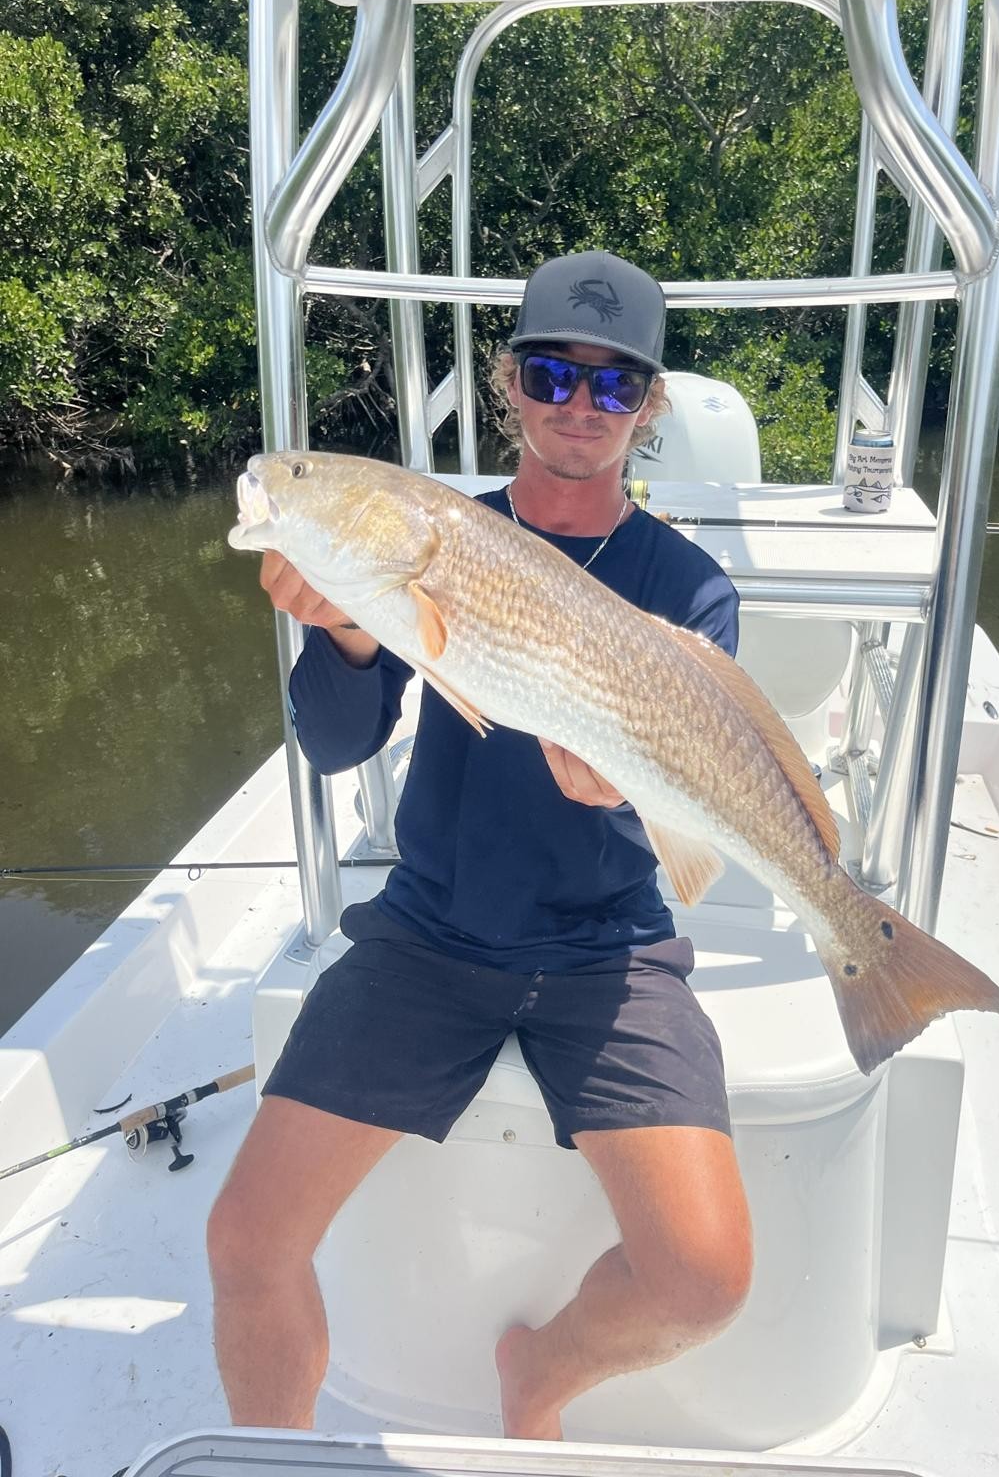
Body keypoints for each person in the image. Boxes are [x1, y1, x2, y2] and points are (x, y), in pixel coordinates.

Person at [207, 251, 753, 1439]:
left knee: (703, 1278)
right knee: (244, 1240)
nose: (579, 404)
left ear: (650, 406)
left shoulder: (690, 589)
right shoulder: (433, 538)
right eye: (552, 373)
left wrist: (616, 798)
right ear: (509, 383)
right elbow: (337, 745)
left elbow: (689, 792)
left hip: (609, 949)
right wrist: (350, 636)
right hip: (432, 933)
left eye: (613, 384)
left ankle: (540, 1376)